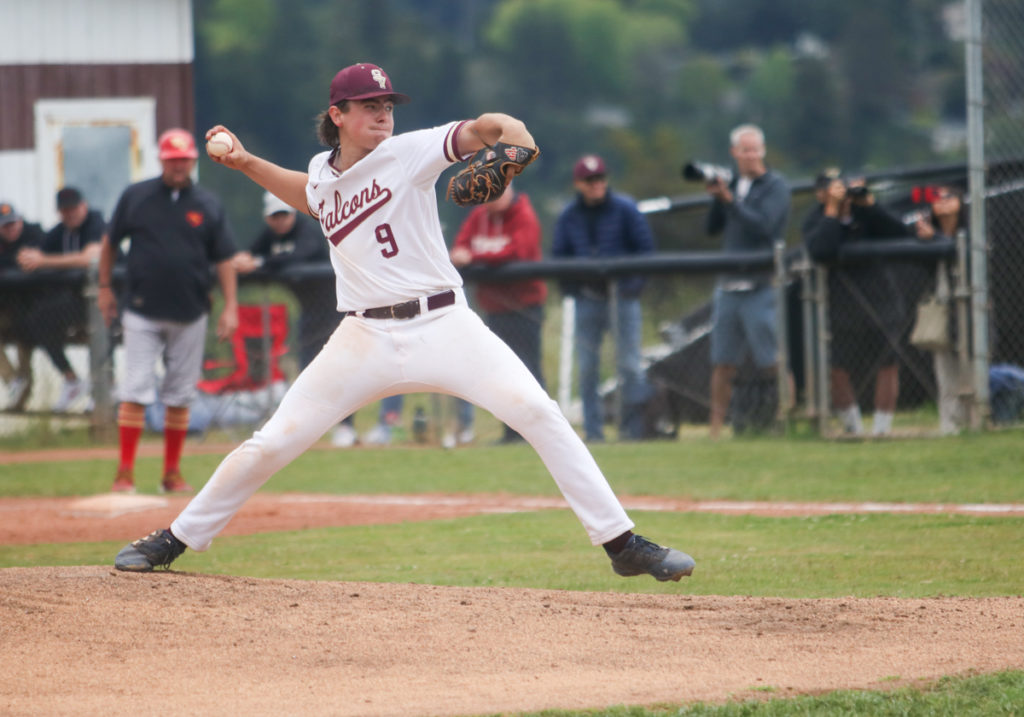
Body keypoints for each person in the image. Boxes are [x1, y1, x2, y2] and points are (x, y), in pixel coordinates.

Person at [112, 62, 693, 584]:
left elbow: (492, 126)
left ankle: (620, 542)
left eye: (388, 105)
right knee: (273, 442)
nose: (383, 114)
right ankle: (177, 538)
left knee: (539, 412)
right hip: (362, 337)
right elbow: (311, 195)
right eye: (370, 106)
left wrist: (515, 146)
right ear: (337, 115)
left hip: (444, 324)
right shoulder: (323, 170)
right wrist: (243, 163)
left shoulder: (411, 150)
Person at [97, 128, 239, 493]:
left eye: (185, 159)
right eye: (173, 159)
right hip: (141, 308)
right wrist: (103, 288)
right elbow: (110, 244)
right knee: (136, 387)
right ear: (162, 159)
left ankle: (171, 473)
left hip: (191, 310)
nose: (179, 165)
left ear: (193, 160)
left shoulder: (207, 204)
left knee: (180, 393)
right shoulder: (137, 196)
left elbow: (224, 259)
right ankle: (125, 472)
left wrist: (231, 307)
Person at [233, 191, 401, 447]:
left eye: (284, 215)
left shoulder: (307, 231)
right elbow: (254, 255)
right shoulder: (271, 237)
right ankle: (307, 428)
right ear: (267, 218)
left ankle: (346, 427)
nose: (280, 221)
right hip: (310, 314)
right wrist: (245, 259)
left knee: (341, 370)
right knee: (308, 372)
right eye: (275, 216)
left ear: (292, 214)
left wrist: (259, 262)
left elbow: (298, 257)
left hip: (335, 311)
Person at [552, 155, 655, 442]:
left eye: (600, 178)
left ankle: (633, 430)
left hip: (622, 298)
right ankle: (594, 432)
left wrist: (632, 287)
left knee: (630, 364)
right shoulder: (569, 215)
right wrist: (571, 290)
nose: (596, 184)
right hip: (587, 299)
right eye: (590, 180)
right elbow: (559, 255)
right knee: (587, 368)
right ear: (578, 184)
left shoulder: (625, 208)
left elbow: (646, 251)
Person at [803, 169, 913, 436]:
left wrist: (871, 205)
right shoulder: (816, 219)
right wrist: (832, 212)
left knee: (888, 364)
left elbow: (899, 232)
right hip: (839, 304)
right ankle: (852, 425)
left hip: (880, 299)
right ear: (821, 194)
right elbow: (821, 250)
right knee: (837, 367)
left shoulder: (867, 214)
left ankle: (882, 428)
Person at [703, 124, 791, 439]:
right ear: (734, 153)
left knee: (771, 359)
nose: (752, 156)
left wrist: (731, 201)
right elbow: (712, 228)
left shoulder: (776, 186)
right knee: (723, 362)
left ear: (763, 151)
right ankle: (715, 430)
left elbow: (764, 226)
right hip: (728, 285)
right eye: (746, 150)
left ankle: (786, 420)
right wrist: (718, 197)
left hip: (761, 284)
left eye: (756, 149)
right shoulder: (733, 184)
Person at [449, 182, 546, 444]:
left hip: (524, 308)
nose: (493, 197)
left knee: (528, 371)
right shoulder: (479, 216)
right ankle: (512, 433)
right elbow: (459, 249)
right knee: (502, 375)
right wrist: (468, 255)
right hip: (494, 309)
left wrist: (477, 256)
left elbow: (518, 251)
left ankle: (541, 432)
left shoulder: (523, 214)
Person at [14, 187, 106, 410]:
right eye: (65, 210)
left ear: (83, 206)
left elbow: (91, 257)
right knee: (37, 319)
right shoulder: (58, 232)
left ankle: (102, 389)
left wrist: (44, 261)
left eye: (73, 208)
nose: (70, 213)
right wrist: (26, 258)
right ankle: (72, 380)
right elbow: (36, 255)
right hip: (75, 301)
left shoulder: (97, 223)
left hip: (109, 298)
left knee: (102, 330)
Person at [913, 185, 968, 434]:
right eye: (937, 198)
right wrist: (929, 239)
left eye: (949, 197)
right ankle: (949, 424)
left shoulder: (971, 229)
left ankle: (975, 420)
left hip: (968, 306)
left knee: (970, 368)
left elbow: (963, 253)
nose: (943, 202)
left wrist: (935, 239)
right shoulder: (927, 235)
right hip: (942, 307)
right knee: (944, 371)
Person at [0, 201, 44, 410]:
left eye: (13, 223)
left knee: (23, 344)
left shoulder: (35, 235)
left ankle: (21, 395)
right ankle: (13, 382)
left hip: (34, 310)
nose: (11, 229)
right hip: (7, 309)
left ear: (20, 220)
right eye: (5, 225)